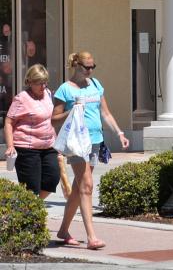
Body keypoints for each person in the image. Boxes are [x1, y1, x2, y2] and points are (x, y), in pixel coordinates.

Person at [52, 51, 129, 250]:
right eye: (87, 67)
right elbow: (54, 119)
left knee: (79, 188)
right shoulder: (65, 90)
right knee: (87, 186)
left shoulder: (95, 85)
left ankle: (62, 230)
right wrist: (72, 110)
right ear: (76, 66)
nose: (90, 70)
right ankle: (92, 237)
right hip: (77, 143)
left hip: (95, 141)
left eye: (93, 66)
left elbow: (105, 112)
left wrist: (119, 133)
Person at [3, 64, 58, 198]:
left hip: (48, 146)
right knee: (31, 188)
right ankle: (30, 211)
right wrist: (10, 145)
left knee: (52, 179)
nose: (43, 86)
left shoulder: (48, 94)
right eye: (39, 83)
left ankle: (33, 208)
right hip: (27, 149)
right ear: (29, 82)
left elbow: (49, 119)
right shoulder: (21, 98)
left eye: (45, 82)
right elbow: (8, 122)